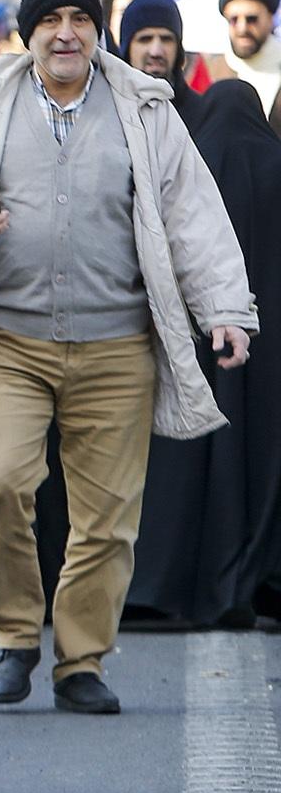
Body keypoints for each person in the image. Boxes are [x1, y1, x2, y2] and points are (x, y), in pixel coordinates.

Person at [0, 0, 256, 715]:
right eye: (51, 21)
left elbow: (193, 214)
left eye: (80, 21)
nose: (66, 34)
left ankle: (81, 660)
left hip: (117, 346)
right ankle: (14, 638)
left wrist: (225, 309)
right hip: (13, 342)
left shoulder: (143, 107)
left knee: (106, 519)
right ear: (28, 32)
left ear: (98, 31)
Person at [125, 79, 281, 626]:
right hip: (266, 353)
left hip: (198, 340)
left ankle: (162, 583)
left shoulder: (195, 162)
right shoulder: (275, 163)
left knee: (185, 462)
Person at [118, 0, 200, 116]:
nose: (156, 52)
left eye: (166, 39)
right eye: (145, 39)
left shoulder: (201, 115)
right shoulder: (108, 111)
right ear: (127, 48)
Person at [213, 0, 281, 113]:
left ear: (270, 19)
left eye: (251, 19)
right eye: (234, 20)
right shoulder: (212, 72)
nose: (242, 29)